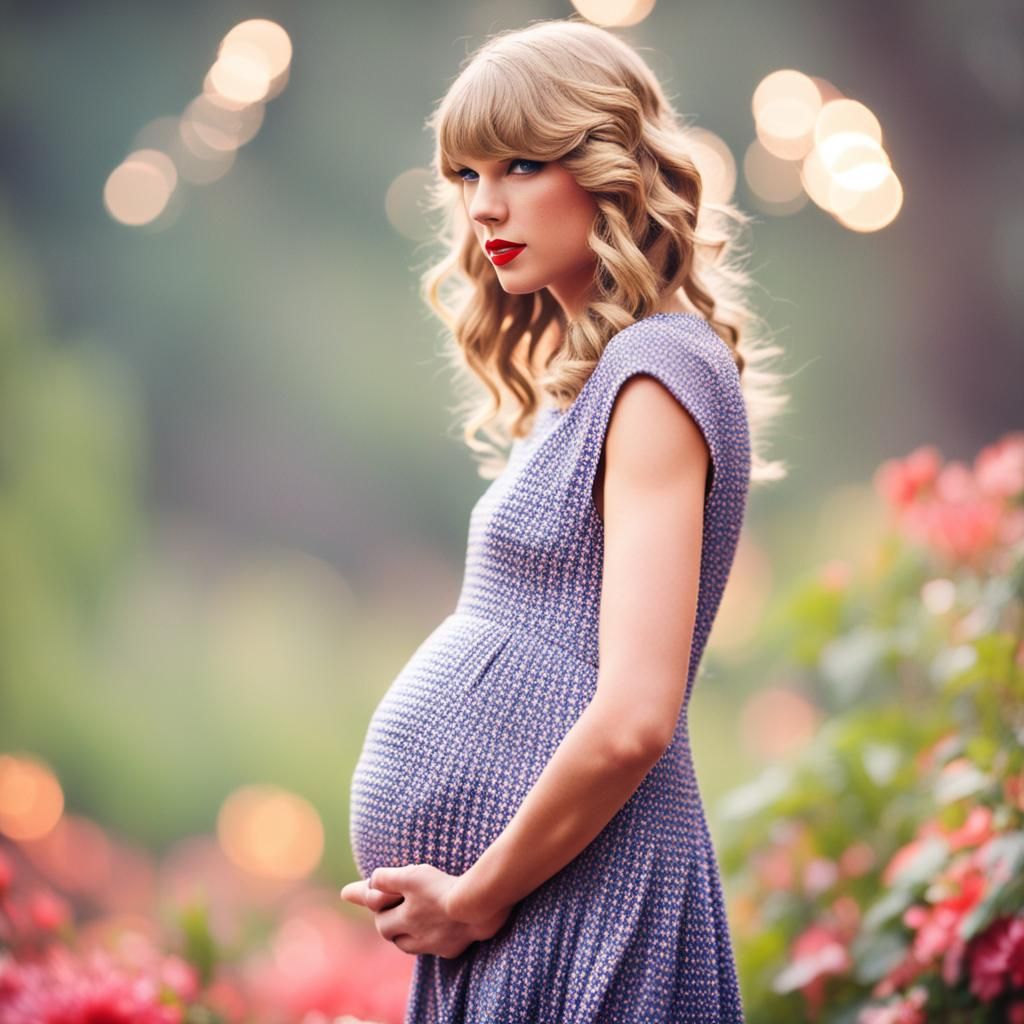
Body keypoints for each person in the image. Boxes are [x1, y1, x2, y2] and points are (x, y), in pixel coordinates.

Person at [341, 15, 788, 1023]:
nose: (484, 205)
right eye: (464, 174)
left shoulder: (656, 375)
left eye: (522, 163)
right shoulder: (591, 382)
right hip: (537, 907)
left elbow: (635, 715)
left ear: (607, 169)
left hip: (589, 905)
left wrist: (474, 896)